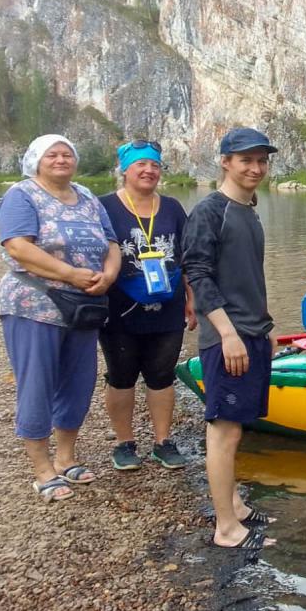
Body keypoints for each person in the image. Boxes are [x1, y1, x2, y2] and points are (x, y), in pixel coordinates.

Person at [0, 135, 121, 502]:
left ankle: (65, 457)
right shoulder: (22, 195)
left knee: (79, 382)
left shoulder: (87, 197)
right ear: (36, 160)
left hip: (83, 305)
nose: (61, 159)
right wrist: (70, 274)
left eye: (68, 153)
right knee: (37, 382)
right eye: (52, 154)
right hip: (35, 303)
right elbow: (17, 246)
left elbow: (111, 243)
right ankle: (41, 469)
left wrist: (110, 275)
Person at [183, 127, 279, 549]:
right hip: (227, 338)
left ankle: (236, 505)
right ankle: (225, 528)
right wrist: (228, 334)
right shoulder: (209, 211)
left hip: (251, 332)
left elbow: (247, 278)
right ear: (225, 161)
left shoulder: (249, 210)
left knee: (236, 427)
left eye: (261, 160)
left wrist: (265, 327)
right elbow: (198, 275)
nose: (256, 168)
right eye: (246, 160)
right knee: (223, 431)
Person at [99, 140, 196, 472]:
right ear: (124, 169)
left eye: (155, 165)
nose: (148, 170)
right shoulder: (105, 207)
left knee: (162, 375)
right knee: (122, 375)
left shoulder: (171, 208)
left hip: (168, 307)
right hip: (119, 308)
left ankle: (162, 441)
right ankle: (124, 443)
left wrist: (191, 298)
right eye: (140, 164)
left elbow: (186, 256)